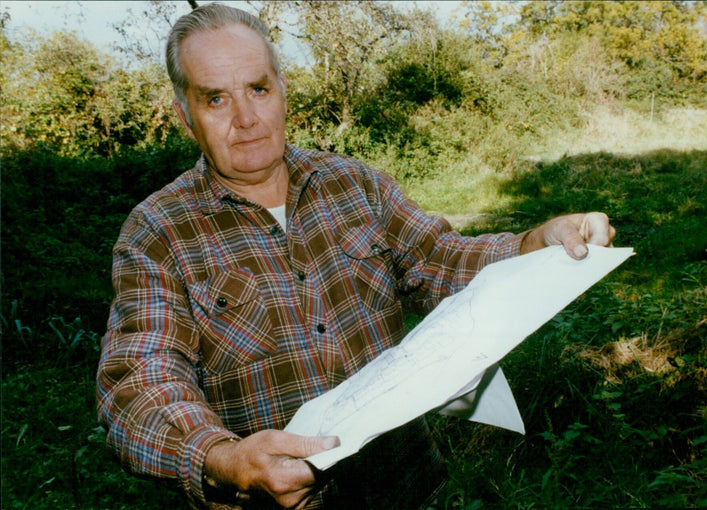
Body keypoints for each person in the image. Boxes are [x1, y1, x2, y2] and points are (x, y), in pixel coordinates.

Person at [96, 3, 615, 509]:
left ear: (283, 92)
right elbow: (138, 387)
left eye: (258, 89)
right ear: (185, 118)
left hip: (405, 481)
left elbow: (441, 259)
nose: (246, 118)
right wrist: (225, 459)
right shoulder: (157, 233)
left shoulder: (354, 185)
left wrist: (533, 245)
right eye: (215, 99)